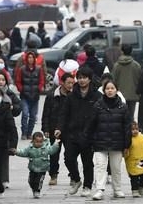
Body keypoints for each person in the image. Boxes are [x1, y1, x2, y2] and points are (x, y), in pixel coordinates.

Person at [55, 65, 101, 198]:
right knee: (68, 159)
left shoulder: (97, 96)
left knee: (87, 162)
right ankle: (76, 179)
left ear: (90, 79)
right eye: (79, 78)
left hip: (89, 134)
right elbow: (63, 114)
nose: (81, 80)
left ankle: (87, 186)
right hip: (72, 133)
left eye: (84, 78)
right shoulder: (71, 96)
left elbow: (100, 114)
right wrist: (59, 128)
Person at [86, 79, 132, 200]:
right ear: (103, 90)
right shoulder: (98, 105)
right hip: (100, 142)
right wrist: (89, 139)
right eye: (107, 88)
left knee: (116, 167)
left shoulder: (123, 107)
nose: (110, 91)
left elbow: (127, 127)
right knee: (100, 166)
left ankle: (117, 189)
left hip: (117, 142)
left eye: (112, 88)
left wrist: (127, 144)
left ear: (117, 90)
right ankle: (99, 189)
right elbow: (91, 123)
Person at [11, 131, 60, 199]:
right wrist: (16, 152)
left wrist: (56, 144)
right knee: (31, 181)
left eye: (40, 142)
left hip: (42, 168)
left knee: (38, 181)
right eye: (37, 142)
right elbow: (23, 152)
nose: (39, 143)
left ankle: (37, 191)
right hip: (33, 168)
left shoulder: (45, 148)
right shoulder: (30, 148)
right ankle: (34, 189)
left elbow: (51, 150)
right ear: (33, 141)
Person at [15, 51, 46, 140]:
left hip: (35, 96)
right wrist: (21, 89)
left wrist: (39, 89)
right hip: (25, 96)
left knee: (33, 116)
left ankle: (29, 133)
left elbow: (41, 80)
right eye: (29, 57)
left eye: (32, 57)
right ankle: (24, 133)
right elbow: (18, 81)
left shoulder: (38, 69)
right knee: (25, 114)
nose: (30, 59)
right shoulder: (22, 69)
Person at [124, 121, 143, 197]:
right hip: (133, 162)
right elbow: (125, 151)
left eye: (136, 129)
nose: (135, 131)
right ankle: (134, 190)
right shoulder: (127, 139)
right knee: (134, 177)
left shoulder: (142, 137)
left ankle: (140, 186)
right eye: (133, 129)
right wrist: (125, 153)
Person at [113, 43, 142, 120]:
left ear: (122, 51)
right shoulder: (136, 65)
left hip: (119, 95)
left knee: (120, 117)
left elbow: (113, 80)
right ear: (131, 51)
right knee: (131, 116)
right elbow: (140, 80)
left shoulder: (116, 65)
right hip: (133, 94)